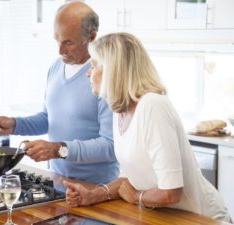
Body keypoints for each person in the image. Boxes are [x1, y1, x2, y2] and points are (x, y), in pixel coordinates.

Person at [63, 32, 231, 222]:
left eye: (93, 66)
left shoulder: (152, 105)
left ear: (112, 70)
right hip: (166, 217)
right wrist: (92, 196)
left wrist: (136, 197)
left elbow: (171, 192)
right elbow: (129, 179)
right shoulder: (120, 110)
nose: (87, 73)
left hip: (201, 218)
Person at [0, 2, 119, 184]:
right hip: (58, 181)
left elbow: (110, 146)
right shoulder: (56, 68)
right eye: (57, 40)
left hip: (96, 188)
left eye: (68, 42)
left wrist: (59, 149)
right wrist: (15, 125)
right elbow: (49, 118)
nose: (59, 50)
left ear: (91, 37)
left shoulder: (105, 75)